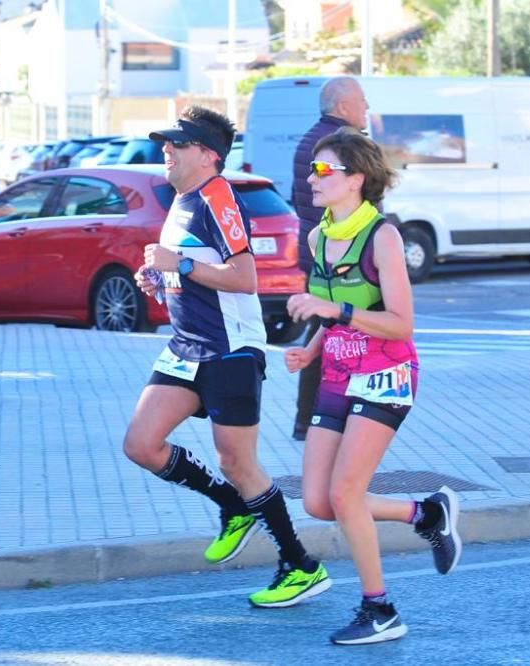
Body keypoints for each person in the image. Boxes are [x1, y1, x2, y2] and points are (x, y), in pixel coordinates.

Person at [125, 105, 331, 609]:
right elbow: (191, 273)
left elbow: (245, 278)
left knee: (238, 462)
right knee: (141, 444)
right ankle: (231, 507)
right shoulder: (183, 199)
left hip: (229, 351)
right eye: (166, 143)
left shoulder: (219, 198)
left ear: (208, 155)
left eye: (178, 143)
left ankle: (300, 565)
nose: (166, 150)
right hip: (186, 348)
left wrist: (183, 263)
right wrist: (161, 280)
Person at [284, 127, 462, 645]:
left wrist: (333, 310)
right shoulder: (318, 236)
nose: (312, 179)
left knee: (346, 492)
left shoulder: (383, 237)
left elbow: (402, 323)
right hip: (338, 374)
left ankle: (380, 609)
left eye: (323, 170)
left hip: (387, 374)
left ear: (356, 179)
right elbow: (329, 312)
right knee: (319, 501)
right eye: (311, 169)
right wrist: (310, 348)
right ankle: (427, 512)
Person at [290, 76, 369, 441]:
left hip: (326, 251)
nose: (367, 108)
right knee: (338, 332)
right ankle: (323, 418)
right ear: (342, 107)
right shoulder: (341, 148)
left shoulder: (312, 140)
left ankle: (315, 418)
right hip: (340, 255)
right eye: (362, 101)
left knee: (326, 331)